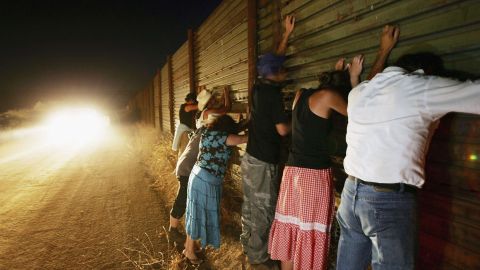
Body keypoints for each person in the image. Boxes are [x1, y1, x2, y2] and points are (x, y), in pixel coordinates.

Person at [336, 25, 480, 269]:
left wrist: (383, 51)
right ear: (423, 73)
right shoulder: (419, 87)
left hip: (351, 193)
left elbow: (374, 79)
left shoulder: (360, 92)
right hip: (386, 199)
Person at [268, 55, 364, 270]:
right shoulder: (329, 96)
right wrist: (354, 78)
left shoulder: (301, 94)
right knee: (310, 230)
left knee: (292, 229)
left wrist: (337, 72)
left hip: (292, 172)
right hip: (313, 174)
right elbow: (357, 111)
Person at [240, 15, 295, 267]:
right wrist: (300, 118)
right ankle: (260, 260)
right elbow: (283, 130)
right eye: (282, 69)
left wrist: (286, 35)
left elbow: (274, 61)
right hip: (263, 163)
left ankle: (248, 247)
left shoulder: (257, 86)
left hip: (250, 158)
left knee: (251, 207)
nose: (286, 72)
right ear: (274, 74)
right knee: (263, 212)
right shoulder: (272, 96)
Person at [183, 114, 248, 264]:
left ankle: (188, 247)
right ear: (227, 128)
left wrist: (245, 123)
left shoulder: (207, 131)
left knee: (194, 214)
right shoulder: (224, 137)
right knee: (197, 215)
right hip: (207, 180)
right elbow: (243, 139)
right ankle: (190, 253)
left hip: (197, 176)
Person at [168, 86, 231, 239]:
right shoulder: (207, 114)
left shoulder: (204, 118)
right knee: (183, 198)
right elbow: (226, 108)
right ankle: (172, 230)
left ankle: (180, 230)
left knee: (186, 198)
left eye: (216, 99)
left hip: (188, 163)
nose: (216, 101)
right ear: (208, 103)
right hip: (187, 166)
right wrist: (227, 95)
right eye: (213, 99)